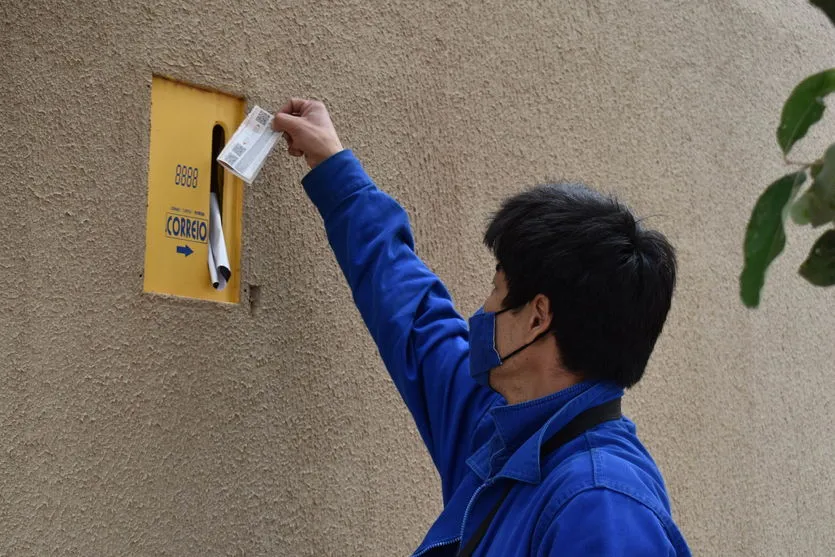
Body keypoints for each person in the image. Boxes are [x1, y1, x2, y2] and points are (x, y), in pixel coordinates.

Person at [273, 99, 691, 556]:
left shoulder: (602, 506)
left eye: (495, 290)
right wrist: (335, 172)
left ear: (537, 316)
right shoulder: (503, 430)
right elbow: (414, 317)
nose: (483, 309)